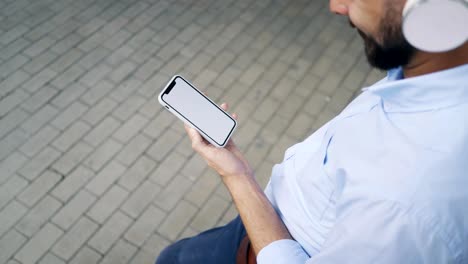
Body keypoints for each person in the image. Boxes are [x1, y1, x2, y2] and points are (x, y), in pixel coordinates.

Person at [156, 0, 468, 263]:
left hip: (263, 246)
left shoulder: (408, 205)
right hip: (263, 214)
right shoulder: (430, 76)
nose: (337, 6)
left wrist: (236, 177)